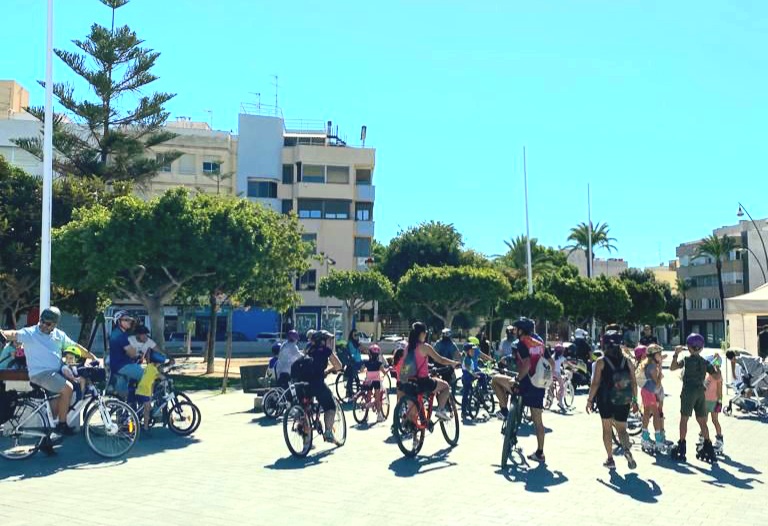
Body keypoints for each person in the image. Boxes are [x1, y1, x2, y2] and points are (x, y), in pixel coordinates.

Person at [0, 306, 94, 437]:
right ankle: (62, 425)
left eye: (48, 323)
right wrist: (3, 333)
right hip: (41, 374)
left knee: (75, 387)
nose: (43, 325)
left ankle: (50, 430)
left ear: (55, 324)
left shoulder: (59, 335)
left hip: (55, 373)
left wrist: (93, 357)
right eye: (42, 321)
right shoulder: (31, 333)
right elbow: (14, 334)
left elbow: (74, 346)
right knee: (67, 388)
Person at [491, 317, 554, 463]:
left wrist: (518, 379)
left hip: (524, 384)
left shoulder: (521, 343)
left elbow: (526, 364)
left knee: (495, 379)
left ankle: (504, 410)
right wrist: (545, 380)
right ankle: (540, 453)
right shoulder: (540, 344)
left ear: (521, 330)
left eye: (516, 329)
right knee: (538, 421)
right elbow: (550, 363)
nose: (514, 331)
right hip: (538, 386)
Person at [586, 329, 639, 470]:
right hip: (623, 399)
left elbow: (595, 383)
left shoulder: (601, 362)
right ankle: (626, 448)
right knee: (622, 429)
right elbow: (634, 383)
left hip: (605, 400)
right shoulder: (628, 362)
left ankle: (610, 459)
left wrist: (589, 400)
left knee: (607, 429)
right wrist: (635, 400)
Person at [669, 333, 718, 462]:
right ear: (702, 348)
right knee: (702, 421)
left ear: (689, 347)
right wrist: (716, 364)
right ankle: (708, 446)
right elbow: (717, 376)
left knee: (684, 419)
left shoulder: (686, 360)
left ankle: (682, 445)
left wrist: (676, 354)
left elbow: (672, 367)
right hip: (700, 392)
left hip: (688, 391)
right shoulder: (705, 362)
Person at [399, 322, 459, 421]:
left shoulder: (407, 348)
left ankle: (407, 425)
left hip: (408, 382)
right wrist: (453, 363)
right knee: (445, 386)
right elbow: (440, 360)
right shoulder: (425, 347)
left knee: (412, 412)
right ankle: (441, 410)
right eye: (425, 333)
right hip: (423, 382)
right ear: (422, 334)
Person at [305, 330, 344, 444]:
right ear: (322, 341)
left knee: (305, 407)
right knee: (330, 405)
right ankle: (328, 433)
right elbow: (339, 366)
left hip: (301, 382)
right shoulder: (326, 351)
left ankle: (305, 437)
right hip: (317, 383)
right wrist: (329, 371)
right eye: (329, 340)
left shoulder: (308, 349)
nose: (330, 343)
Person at [108, 310, 143, 398]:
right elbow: (132, 353)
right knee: (147, 376)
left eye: (130, 320)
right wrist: (139, 353)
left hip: (118, 367)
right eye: (126, 320)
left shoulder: (119, 333)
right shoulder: (120, 335)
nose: (129, 321)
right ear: (119, 321)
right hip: (123, 366)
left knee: (122, 397)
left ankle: (131, 404)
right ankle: (145, 402)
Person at [639, 345, 665, 452]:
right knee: (656, 415)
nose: (660, 356)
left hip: (645, 391)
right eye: (659, 354)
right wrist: (660, 372)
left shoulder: (648, 364)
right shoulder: (653, 367)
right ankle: (658, 439)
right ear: (654, 356)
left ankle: (644, 437)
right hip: (650, 392)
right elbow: (657, 384)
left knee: (646, 413)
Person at [460, 342, 492, 418]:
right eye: (472, 351)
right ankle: (484, 390)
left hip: (467, 378)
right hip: (468, 377)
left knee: (466, 395)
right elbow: (468, 368)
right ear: (467, 352)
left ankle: (464, 412)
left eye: (473, 350)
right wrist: (474, 375)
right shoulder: (467, 359)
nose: (473, 352)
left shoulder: (469, 358)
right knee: (482, 375)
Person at [361, 344, 388, 423]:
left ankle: (366, 416)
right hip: (376, 382)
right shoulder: (379, 363)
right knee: (377, 399)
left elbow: (361, 369)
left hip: (368, 381)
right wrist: (388, 370)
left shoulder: (367, 363)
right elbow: (384, 372)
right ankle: (379, 416)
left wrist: (364, 370)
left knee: (368, 397)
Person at [704, 354, 724, 455]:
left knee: (715, 420)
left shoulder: (718, 376)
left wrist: (719, 402)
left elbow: (719, 390)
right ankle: (703, 437)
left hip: (714, 401)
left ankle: (719, 439)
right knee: (704, 420)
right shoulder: (708, 375)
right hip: (705, 401)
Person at [343, 329, 364, 400]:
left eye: (357, 335)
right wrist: (359, 347)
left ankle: (360, 388)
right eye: (355, 335)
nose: (357, 336)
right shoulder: (351, 343)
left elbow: (362, 349)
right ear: (351, 336)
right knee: (352, 377)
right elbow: (353, 351)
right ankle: (349, 392)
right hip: (354, 362)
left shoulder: (356, 343)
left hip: (358, 361)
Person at [552, 343, 567, 411]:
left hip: (551, 374)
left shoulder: (552, 356)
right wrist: (573, 367)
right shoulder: (561, 358)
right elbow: (567, 363)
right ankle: (560, 402)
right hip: (557, 374)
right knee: (562, 387)